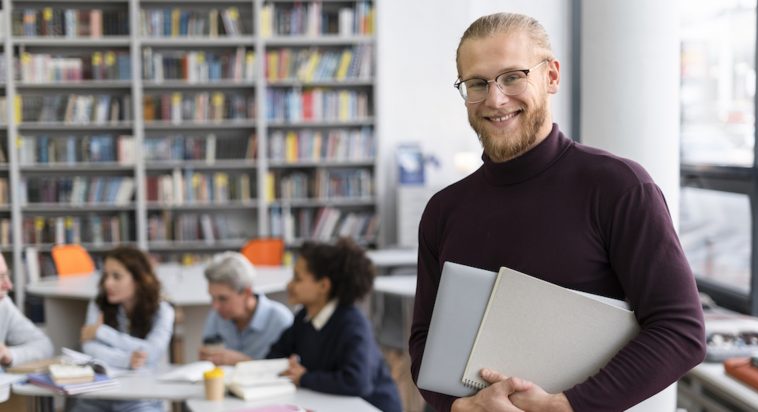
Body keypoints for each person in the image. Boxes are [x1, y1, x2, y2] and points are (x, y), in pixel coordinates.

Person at [409, 12, 706, 412]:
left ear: (550, 77)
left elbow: (680, 331)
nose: (495, 99)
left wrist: (563, 406)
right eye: (477, 83)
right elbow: (424, 342)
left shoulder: (618, 187)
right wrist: (461, 407)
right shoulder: (443, 210)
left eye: (513, 76)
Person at [266, 239, 402, 412]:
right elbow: (275, 354)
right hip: (330, 403)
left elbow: (357, 382)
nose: (289, 285)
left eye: (297, 278)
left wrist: (304, 377)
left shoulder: (353, 324)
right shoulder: (304, 318)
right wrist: (286, 366)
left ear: (323, 285)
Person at [73, 246, 174, 412]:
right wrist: (127, 360)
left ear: (138, 279)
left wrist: (101, 332)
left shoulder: (163, 310)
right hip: (97, 396)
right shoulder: (98, 303)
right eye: (106, 275)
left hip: (141, 399)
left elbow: (152, 352)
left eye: (116, 277)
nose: (108, 283)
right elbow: (90, 349)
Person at [199, 251, 292, 365]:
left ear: (247, 293)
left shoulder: (280, 320)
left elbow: (287, 372)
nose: (215, 306)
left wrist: (244, 362)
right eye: (212, 298)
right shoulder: (216, 316)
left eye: (223, 299)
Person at [0, 253, 53, 369]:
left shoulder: (3, 305)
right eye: (0, 277)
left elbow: (44, 346)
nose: (9, 286)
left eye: (6, 275)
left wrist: (8, 354)